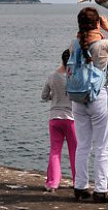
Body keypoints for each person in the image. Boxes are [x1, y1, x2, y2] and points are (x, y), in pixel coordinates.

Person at [70, 7, 108, 203]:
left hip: (78, 100)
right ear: (97, 23)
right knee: (103, 147)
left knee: (83, 146)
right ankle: (101, 190)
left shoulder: (74, 44)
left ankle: (80, 187)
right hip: (99, 98)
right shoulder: (103, 45)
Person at [41, 48, 77, 192]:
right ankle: (78, 182)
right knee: (75, 151)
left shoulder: (52, 76)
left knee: (55, 151)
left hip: (54, 118)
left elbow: (44, 96)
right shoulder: (74, 78)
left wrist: (54, 97)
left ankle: (52, 183)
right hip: (71, 119)